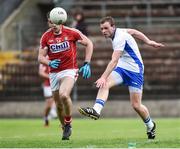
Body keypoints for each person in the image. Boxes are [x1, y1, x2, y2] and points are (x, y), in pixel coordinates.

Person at [78, 16, 164, 139]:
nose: (103, 31)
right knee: (105, 83)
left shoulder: (119, 37)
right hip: (123, 67)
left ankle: (150, 125)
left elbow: (114, 61)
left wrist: (102, 76)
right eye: (101, 29)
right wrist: (148, 41)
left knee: (136, 105)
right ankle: (96, 110)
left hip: (135, 70)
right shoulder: (120, 32)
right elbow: (134, 31)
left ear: (113, 27)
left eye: (106, 28)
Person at [38, 8, 93, 140]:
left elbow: (89, 43)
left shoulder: (72, 32)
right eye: (51, 22)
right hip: (54, 73)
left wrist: (87, 63)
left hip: (70, 70)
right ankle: (64, 127)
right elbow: (40, 57)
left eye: (55, 22)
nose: (53, 25)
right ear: (49, 22)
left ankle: (68, 122)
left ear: (60, 21)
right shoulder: (46, 36)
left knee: (64, 95)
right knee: (58, 104)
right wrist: (49, 63)